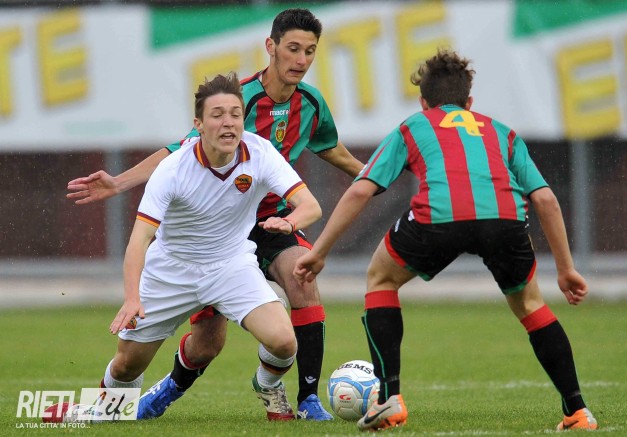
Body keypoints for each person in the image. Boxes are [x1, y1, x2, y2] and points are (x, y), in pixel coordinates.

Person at [66, 8, 363, 421]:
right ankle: (133, 399)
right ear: (271, 47)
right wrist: (120, 183)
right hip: (193, 249)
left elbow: (329, 158)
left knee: (299, 290)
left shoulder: (300, 114)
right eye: (293, 48)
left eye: (309, 51)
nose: (301, 59)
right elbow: (171, 162)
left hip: (258, 232)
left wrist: (373, 177)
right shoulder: (224, 114)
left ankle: (301, 397)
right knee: (202, 344)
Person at [293, 49, 598, 432]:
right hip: (504, 219)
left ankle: (389, 398)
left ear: (424, 102)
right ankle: (577, 411)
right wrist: (566, 269)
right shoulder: (502, 132)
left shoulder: (414, 126)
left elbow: (360, 190)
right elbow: (546, 200)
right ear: (469, 102)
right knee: (531, 304)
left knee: (381, 279)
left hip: (439, 217)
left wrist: (320, 252)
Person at [44, 72, 322, 424]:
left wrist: (291, 222)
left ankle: (267, 386)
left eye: (235, 114)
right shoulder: (173, 169)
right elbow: (139, 240)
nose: (228, 123)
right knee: (128, 365)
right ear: (198, 125)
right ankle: (105, 409)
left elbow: (310, 206)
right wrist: (132, 298)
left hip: (231, 266)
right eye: (217, 115)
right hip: (171, 271)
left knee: (284, 341)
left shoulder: (261, 153)